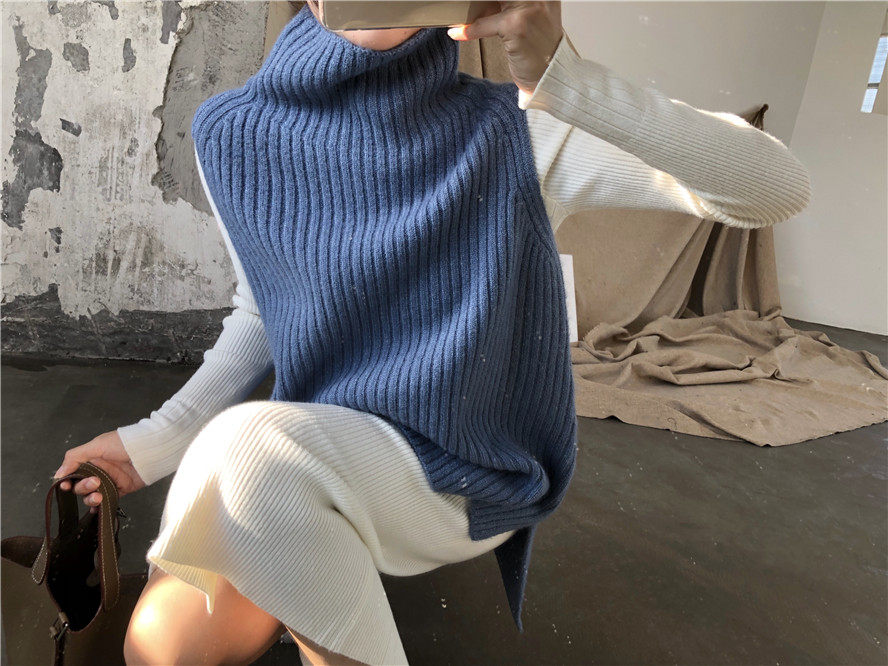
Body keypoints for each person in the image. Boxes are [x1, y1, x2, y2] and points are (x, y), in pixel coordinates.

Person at [52, 1, 811, 664]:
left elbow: (775, 188)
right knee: (156, 650)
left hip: (457, 469)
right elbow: (263, 308)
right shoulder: (230, 132)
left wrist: (567, 79)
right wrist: (147, 446)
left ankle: (294, 551)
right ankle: (297, 555)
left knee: (247, 448)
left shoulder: (518, 129)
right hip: (305, 446)